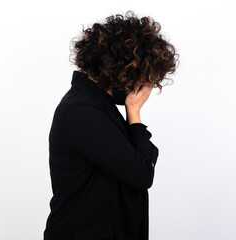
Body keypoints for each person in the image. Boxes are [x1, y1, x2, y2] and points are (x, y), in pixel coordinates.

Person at [43, 10, 178, 240]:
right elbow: (141, 173)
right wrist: (134, 111)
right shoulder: (81, 111)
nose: (140, 87)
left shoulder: (98, 106)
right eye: (140, 78)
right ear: (122, 69)